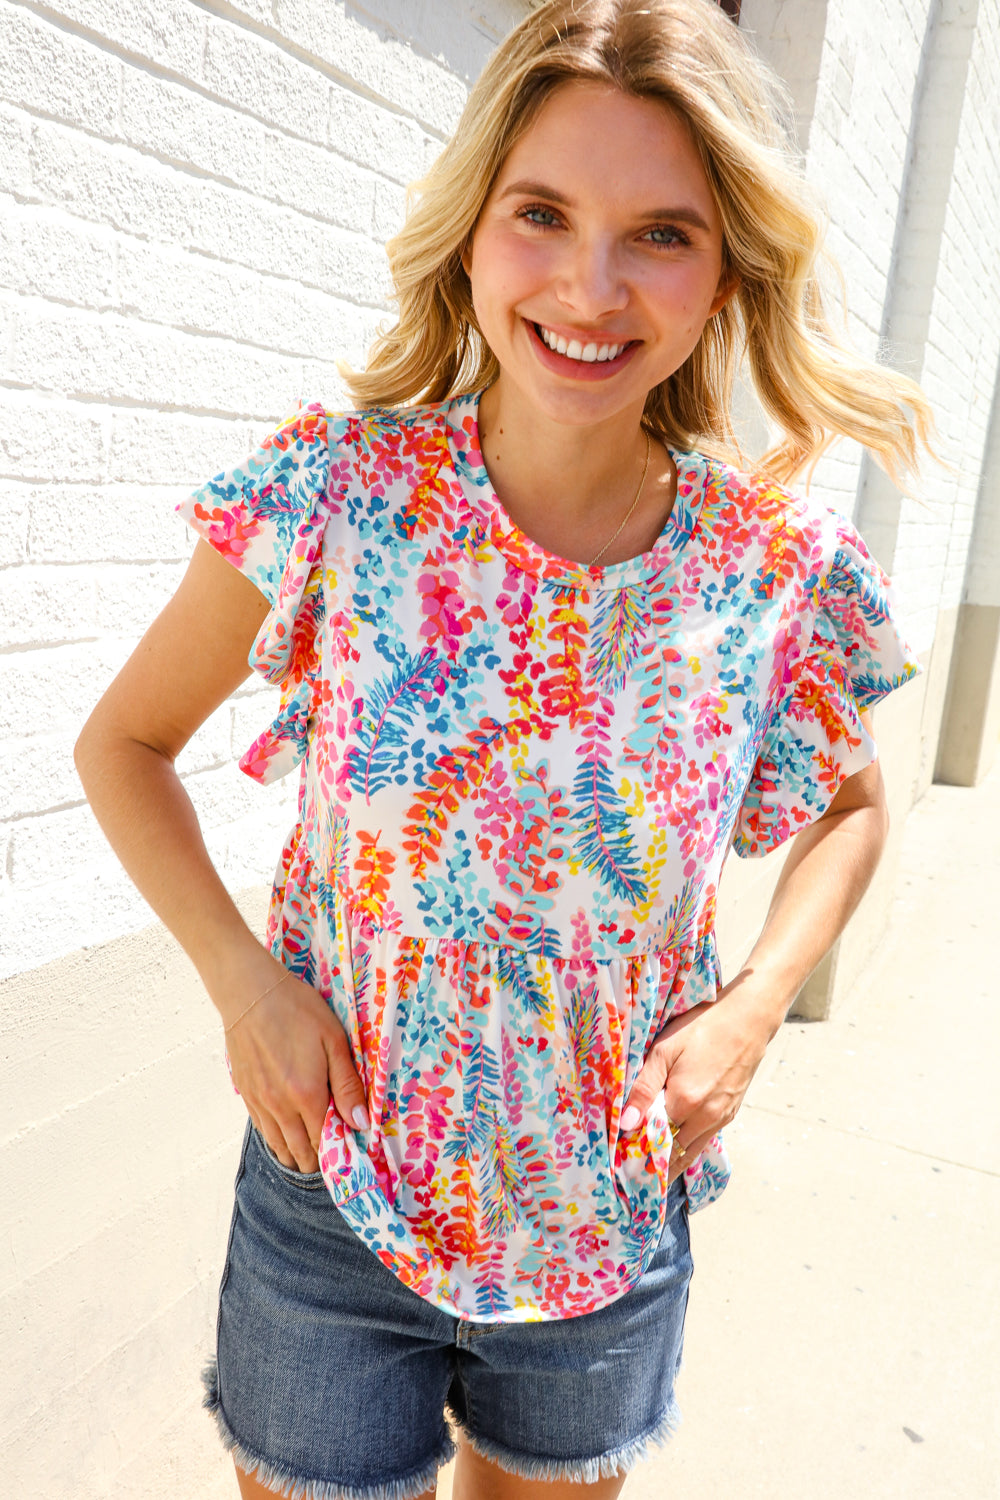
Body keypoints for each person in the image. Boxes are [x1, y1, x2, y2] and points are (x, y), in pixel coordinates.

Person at [75, 1, 933, 1496]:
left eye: (660, 233)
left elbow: (852, 813)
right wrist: (244, 986)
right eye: (543, 213)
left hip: (607, 1207)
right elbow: (125, 743)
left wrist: (750, 1013)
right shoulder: (335, 493)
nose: (591, 288)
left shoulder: (772, 569)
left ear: (724, 272)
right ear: (474, 230)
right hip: (332, 1189)